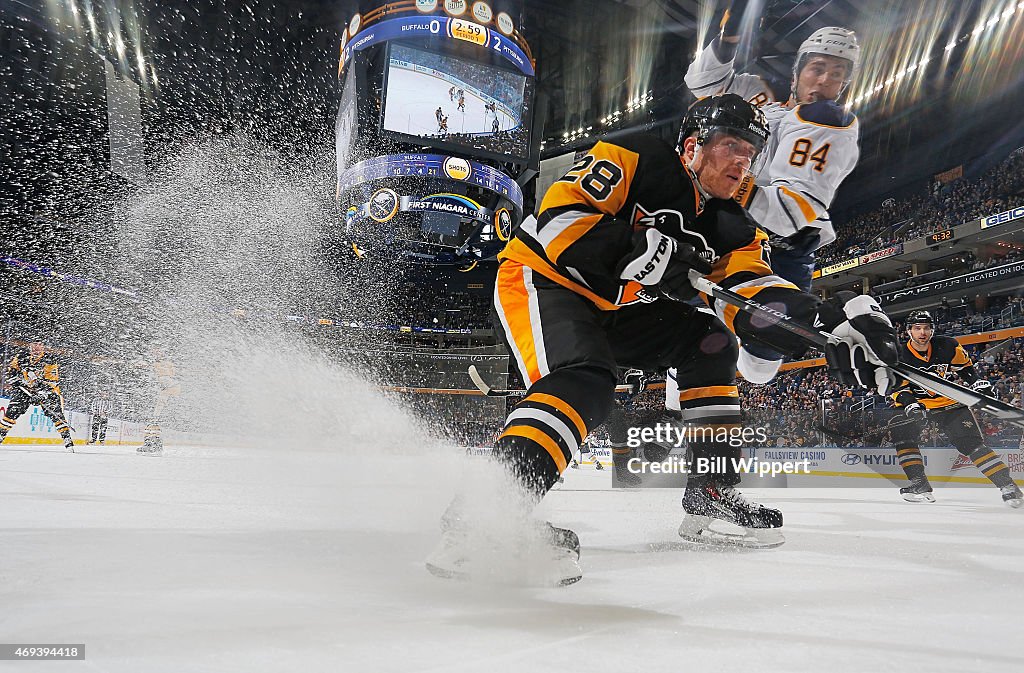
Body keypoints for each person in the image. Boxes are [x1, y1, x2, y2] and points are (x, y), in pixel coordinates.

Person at [425, 93, 899, 584]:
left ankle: (711, 492)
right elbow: (559, 223)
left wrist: (826, 324)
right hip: (547, 281)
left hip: (624, 308)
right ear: (693, 146)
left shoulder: (735, 221)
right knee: (583, 380)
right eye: (732, 145)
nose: (743, 160)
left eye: (751, 150)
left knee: (710, 342)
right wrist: (638, 251)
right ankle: (483, 518)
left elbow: (749, 295)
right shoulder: (635, 156)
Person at [685, 4, 862, 384]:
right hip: (727, 232)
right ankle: (674, 410)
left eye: (836, 74)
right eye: (817, 67)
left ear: (844, 86)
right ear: (798, 71)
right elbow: (700, 82)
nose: (824, 80)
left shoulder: (831, 126)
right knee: (690, 322)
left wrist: (724, 177)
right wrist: (728, 36)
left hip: (785, 247)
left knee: (761, 366)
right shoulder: (757, 97)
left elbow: (785, 214)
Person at [888, 310, 1023, 507]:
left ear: (932, 330)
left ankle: (1008, 486)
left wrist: (977, 382)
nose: (922, 332)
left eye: (926, 328)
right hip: (918, 405)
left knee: (971, 444)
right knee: (901, 432)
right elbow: (894, 385)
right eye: (917, 328)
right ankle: (919, 484)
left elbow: (965, 368)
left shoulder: (948, 346)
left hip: (948, 403)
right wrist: (910, 404)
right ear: (908, 331)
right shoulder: (897, 353)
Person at [0, 341, 76, 452]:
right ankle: (1, 436)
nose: (37, 347)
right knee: (12, 411)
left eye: (40, 345)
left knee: (56, 414)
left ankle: (68, 441)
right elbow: (11, 371)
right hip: (25, 389)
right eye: (35, 344)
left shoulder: (49, 360)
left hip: (47, 391)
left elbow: (52, 382)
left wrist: (41, 394)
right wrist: (16, 381)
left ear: (43, 347)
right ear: (30, 346)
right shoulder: (21, 357)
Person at [139, 347, 181, 455]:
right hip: (158, 399)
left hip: (162, 400)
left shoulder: (166, 368)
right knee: (151, 421)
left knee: (155, 421)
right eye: (154, 352)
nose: (156, 354)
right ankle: (150, 444)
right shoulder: (155, 365)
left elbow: (168, 380)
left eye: (158, 352)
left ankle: (154, 444)